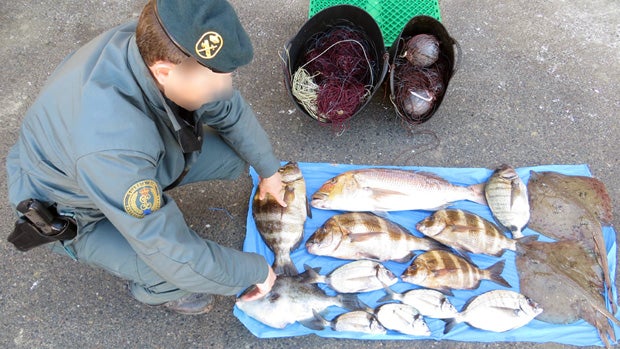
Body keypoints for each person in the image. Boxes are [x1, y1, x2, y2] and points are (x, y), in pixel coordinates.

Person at [5, 0, 285, 315]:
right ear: (165, 72)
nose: (225, 87)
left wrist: (269, 170)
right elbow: (172, 253)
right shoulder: (113, 146)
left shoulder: (157, 43)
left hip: (110, 163)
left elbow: (229, 109)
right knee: (176, 274)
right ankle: (157, 292)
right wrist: (254, 271)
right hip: (73, 211)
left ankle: (148, 189)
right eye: (213, 81)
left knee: (238, 155)